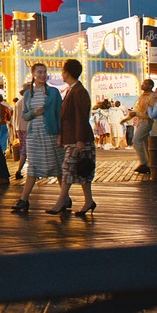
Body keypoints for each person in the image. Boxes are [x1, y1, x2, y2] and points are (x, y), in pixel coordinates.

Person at [47, 59, 97, 217]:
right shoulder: (72, 90)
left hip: (78, 139)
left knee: (68, 169)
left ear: (67, 72)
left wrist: (80, 139)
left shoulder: (78, 91)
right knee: (83, 171)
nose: (62, 73)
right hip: (73, 138)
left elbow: (81, 117)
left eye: (63, 70)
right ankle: (88, 201)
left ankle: (61, 201)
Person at [11, 64, 63, 212]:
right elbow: (25, 115)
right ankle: (24, 199)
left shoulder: (53, 92)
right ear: (33, 74)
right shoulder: (28, 94)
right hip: (34, 134)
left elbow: (59, 114)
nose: (42, 75)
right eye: (39, 72)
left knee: (57, 165)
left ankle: (65, 197)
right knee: (32, 166)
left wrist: (60, 134)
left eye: (44, 72)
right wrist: (34, 113)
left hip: (50, 133)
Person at [122, 79, 154, 174]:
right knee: (144, 143)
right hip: (141, 121)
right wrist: (127, 118)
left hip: (147, 121)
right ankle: (149, 163)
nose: (142, 85)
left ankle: (144, 162)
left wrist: (136, 113)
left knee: (136, 141)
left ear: (150, 86)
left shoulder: (151, 97)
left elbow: (148, 114)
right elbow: (137, 109)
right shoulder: (142, 96)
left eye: (145, 84)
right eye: (143, 83)